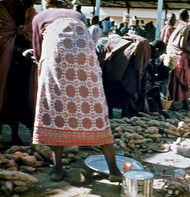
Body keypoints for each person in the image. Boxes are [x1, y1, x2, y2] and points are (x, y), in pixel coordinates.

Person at [31, 0, 122, 182]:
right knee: (97, 114)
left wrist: (38, 61)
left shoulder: (39, 17)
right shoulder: (78, 15)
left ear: (47, 3)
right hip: (86, 68)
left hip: (56, 66)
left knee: (58, 113)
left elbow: (38, 50)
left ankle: (57, 171)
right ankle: (114, 171)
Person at [0, 0, 37, 145]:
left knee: (19, 97)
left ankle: (16, 134)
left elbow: (34, 34)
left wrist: (31, 48)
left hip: (23, 66)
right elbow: (3, 36)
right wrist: (20, 50)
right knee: (4, 97)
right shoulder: (2, 10)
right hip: (3, 66)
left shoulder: (29, 11)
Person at [167, 9, 190, 109]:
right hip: (180, 56)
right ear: (188, 18)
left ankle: (177, 102)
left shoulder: (179, 26)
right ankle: (181, 102)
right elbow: (183, 45)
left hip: (173, 55)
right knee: (184, 79)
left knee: (176, 80)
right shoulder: (186, 27)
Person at [142, 40, 170, 117]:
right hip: (141, 79)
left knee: (155, 87)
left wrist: (162, 109)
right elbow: (149, 82)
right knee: (151, 87)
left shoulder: (157, 60)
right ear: (157, 50)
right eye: (160, 53)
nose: (159, 56)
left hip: (151, 78)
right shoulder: (145, 56)